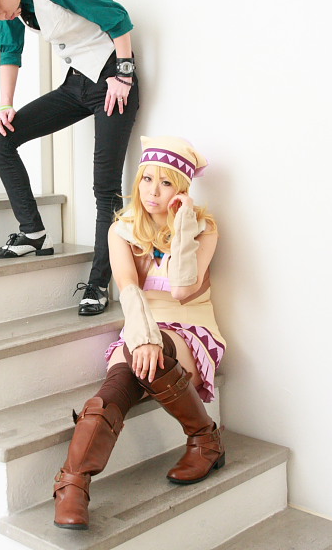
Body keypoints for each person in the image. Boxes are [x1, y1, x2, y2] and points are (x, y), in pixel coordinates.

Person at [0, 0, 139, 315]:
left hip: (113, 85)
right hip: (77, 85)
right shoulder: (11, 4)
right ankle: (33, 232)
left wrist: (124, 73)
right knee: (0, 137)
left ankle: (99, 283)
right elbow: (10, 51)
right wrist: (5, 106)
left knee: (105, 189)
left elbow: (117, 16)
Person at [53, 135, 226, 529]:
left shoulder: (204, 229)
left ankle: (203, 439)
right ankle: (74, 483)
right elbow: (129, 290)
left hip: (190, 327)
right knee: (119, 381)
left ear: (181, 189)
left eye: (165, 183)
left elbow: (181, 290)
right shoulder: (122, 230)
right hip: (140, 322)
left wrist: (182, 227)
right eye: (147, 179)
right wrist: (145, 337)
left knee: (150, 352)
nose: (153, 192)